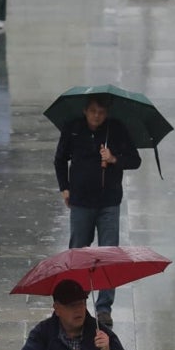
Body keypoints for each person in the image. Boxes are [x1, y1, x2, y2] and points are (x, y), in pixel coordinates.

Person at [53, 95, 142, 326]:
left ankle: (104, 307)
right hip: (81, 202)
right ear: (85, 111)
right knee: (78, 252)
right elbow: (60, 159)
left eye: (101, 112)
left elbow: (135, 159)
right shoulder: (73, 129)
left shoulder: (117, 130)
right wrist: (64, 187)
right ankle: (74, 299)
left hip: (109, 202)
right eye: (93, 111)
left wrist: (113, 158)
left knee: (108, 254)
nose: (96, 116)